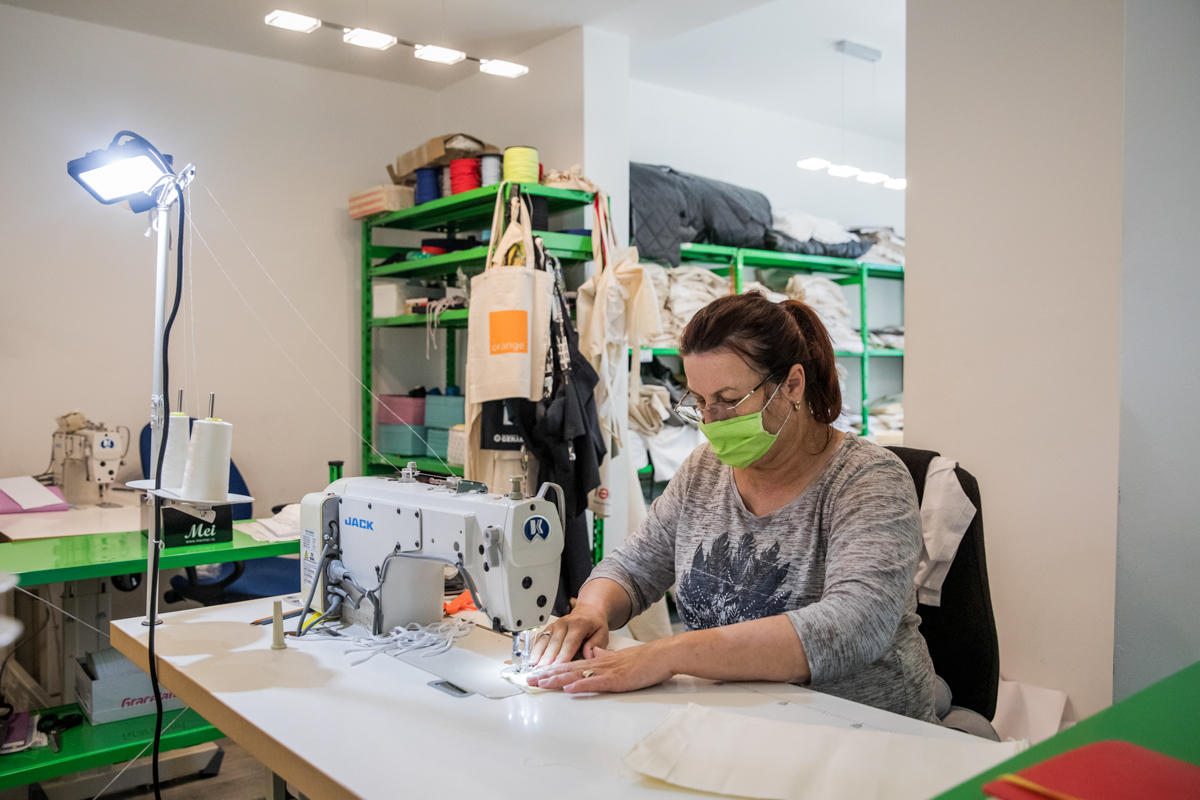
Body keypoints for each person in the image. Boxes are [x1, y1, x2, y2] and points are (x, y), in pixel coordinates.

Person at [527, 291, 937, 722]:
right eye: (700, 402)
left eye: (728, 399)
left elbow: (853, 626)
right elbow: (633, 566)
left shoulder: (869, 480)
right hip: (733, 720)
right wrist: (592, 610)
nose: (712, 420)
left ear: (792, 385)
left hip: (864, 731)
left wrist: (668, 654)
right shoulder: (704, 470)